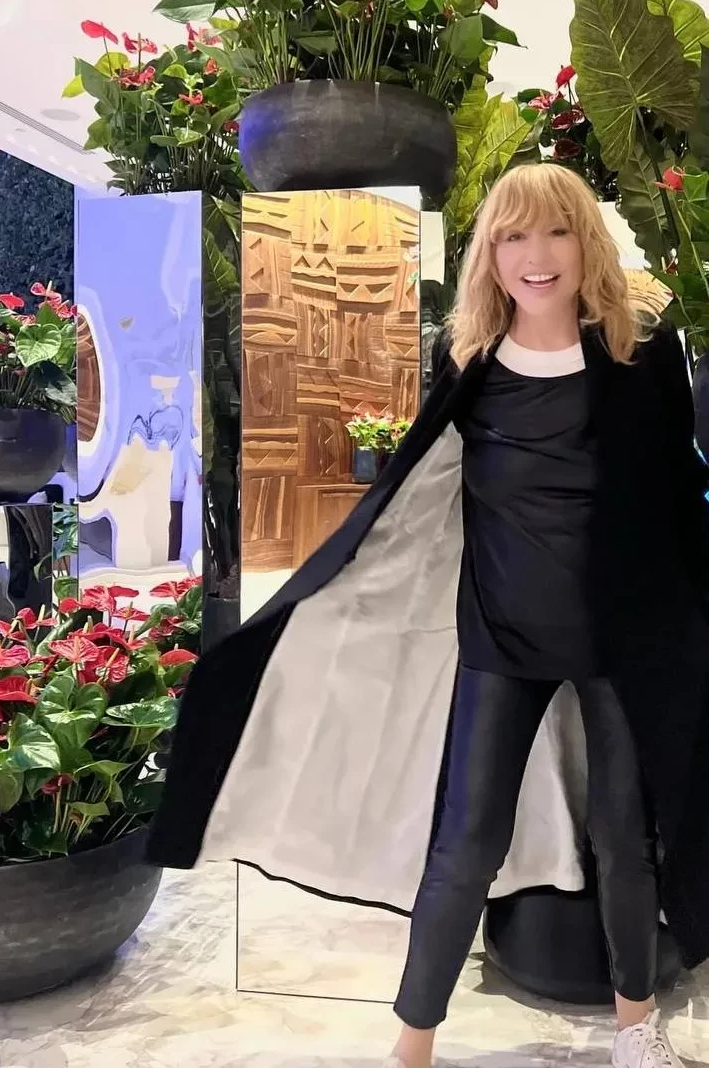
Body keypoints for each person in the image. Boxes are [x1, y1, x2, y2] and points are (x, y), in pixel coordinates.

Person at [148, 165, 709, 1068]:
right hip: (501, 638)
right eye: (513, 236)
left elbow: (682, 506)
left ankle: (634, 1029)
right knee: (464, 846)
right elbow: (413, 495)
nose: (535, 255)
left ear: (586, 245)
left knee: (623, 841)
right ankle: (411, 1047)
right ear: (490, 253)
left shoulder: (643, 364)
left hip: (623, 641)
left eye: (555, 232)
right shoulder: (470, 367)